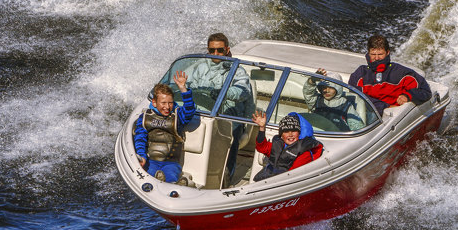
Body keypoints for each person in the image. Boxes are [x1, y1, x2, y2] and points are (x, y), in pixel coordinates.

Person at [188, 32, 254, 182]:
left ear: (227, 50)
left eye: (220, 50)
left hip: (229, 113)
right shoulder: (200, 68)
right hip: (203, 110)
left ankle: (226, 174)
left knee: (232, 132)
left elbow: (242, 91)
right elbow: (190, 86)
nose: (216, 54)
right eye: (212, 50)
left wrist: (224, 93)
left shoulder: (237, 71)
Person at [133, 71, 197, 183]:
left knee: (171, 176)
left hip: (171, 162)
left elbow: (190, 110)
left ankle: (176, 185)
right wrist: (142, 157)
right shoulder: (145, 117)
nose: (167, 107)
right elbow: (140, 139)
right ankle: (159, 179)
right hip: (151, 161)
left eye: (170, 103)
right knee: (150, 175)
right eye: (163, 103)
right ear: (154, 102)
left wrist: (183, 89)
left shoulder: (178, 116)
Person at [348, 34, 431, 115]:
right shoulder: (360, 74)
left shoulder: (402, 73)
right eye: (373, 54)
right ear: (368, 53)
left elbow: (425, 91)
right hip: (368, 115)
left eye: (380, 54)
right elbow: (355, 97)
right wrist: (383, 107)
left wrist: (408, 96)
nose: (376, 58)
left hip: (394, 118)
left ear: (387, 53)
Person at [251, 110, 323, 182]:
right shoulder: (279, 145)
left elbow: (292, 177)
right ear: (281, 135)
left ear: (299, 133)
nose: (290, 135)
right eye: (286, 131)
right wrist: (262, 128)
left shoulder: (305, 153)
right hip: (269, 181)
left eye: (294, 131)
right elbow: (262, 147)